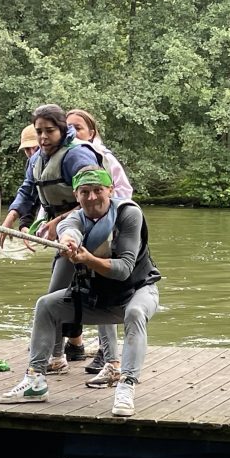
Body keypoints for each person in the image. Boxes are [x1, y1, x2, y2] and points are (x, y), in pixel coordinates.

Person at [0, 168, 161, 416]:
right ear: (76, 195)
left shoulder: (129, 214)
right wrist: (69, 243)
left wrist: (88, 258)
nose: (92, 197)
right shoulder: (75, 218)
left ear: (110, 190)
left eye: (98, 191)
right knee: (46, 305)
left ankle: (127, 385)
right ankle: (35, 381)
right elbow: (69, 230)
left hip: (136, 293)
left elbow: (124, 269)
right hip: (98, 298)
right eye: (85, 192)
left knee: (136, 313)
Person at [0, 104, 105, 368]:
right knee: (59, 294)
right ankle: (58, 356)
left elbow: (96, 195)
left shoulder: (76, 156)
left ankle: (89, 357)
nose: (43, 138)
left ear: (62, 130)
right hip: (64, 232)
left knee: (73, 293)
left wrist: (59, 220)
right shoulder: (37, 159)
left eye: (49, 131)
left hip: (90, 229)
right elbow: (27, 191)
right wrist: (11, 217)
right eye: (39, 132)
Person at [66, 109, 134, 377]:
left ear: (91, 133)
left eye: (78, 128)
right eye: (68, 128)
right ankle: (69, 346)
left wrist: (111, 222)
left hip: (110, 232)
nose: (73, 133)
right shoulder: (66, 159)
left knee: (105, 287)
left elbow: (124, 193)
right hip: (78, 230)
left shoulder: (104, 159)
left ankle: (108, 355)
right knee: (75, 290)